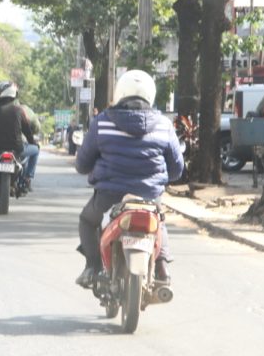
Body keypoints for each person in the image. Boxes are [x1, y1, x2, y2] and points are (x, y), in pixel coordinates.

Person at [74, 70, 183, 287]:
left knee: (87, 221)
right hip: (150, 196)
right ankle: (162, 267)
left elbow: (82, 164)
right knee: (158, 222)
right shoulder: (164, 125)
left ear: (120, 92)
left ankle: (93, 267)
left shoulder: (102, 122)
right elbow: (177, 168)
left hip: (109, 196)